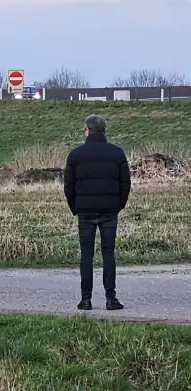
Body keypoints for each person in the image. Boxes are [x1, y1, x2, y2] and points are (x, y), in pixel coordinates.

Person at [63, 114, 130, 311]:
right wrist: (118, 205)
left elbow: (69, 185)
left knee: (86, 255)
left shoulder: (75, 155)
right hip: (110, 211)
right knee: (108, 254)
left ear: (89, 130)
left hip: (85, 211)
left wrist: (75, 207)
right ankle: (111, 298)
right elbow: (125, 183)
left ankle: (86, 299)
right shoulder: (117, 154)